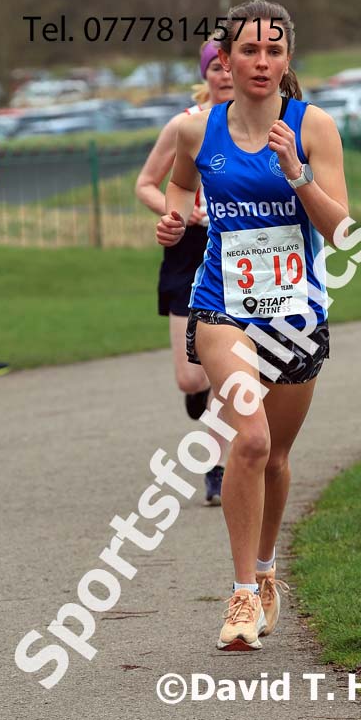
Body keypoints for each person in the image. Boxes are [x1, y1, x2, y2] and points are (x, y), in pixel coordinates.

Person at [156, 0, 349, 651]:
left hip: (295, 318)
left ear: (286, 58)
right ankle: (240, 596)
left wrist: (296, 172)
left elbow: (340, 230)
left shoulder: (314, 126)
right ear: (226, 60)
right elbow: (179, 189)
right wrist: (176, 220)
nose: (260, 62)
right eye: (248, 50)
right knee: (250, 442)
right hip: (221, 308)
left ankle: (266, 574)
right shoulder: (195, 129)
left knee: (277, 459)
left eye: (272, 51)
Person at [136, 41, 233, 504]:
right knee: (192, 380)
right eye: (217, 67)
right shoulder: (185, 125)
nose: (225, 75)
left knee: (223, 371)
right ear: (207, 74)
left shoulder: (256, 126)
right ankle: (204, 387)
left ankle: (217, 468)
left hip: (235, 257)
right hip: (186, 254)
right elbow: (146, 185)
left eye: (231, 66)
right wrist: (178, 213)